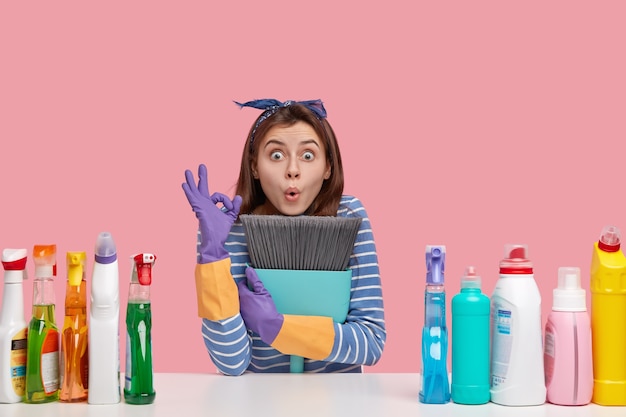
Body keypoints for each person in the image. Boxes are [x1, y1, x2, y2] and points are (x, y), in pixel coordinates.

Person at [182, 99, 386, 374]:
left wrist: (278, 327)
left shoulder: (348, 217)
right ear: (254, 166)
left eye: (308, 155)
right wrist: (212, 254)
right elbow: (230, 363)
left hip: (338, 401)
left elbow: (371, 343)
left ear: (328, 166)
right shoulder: (229, 226)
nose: (292, 170)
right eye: (276, 155)